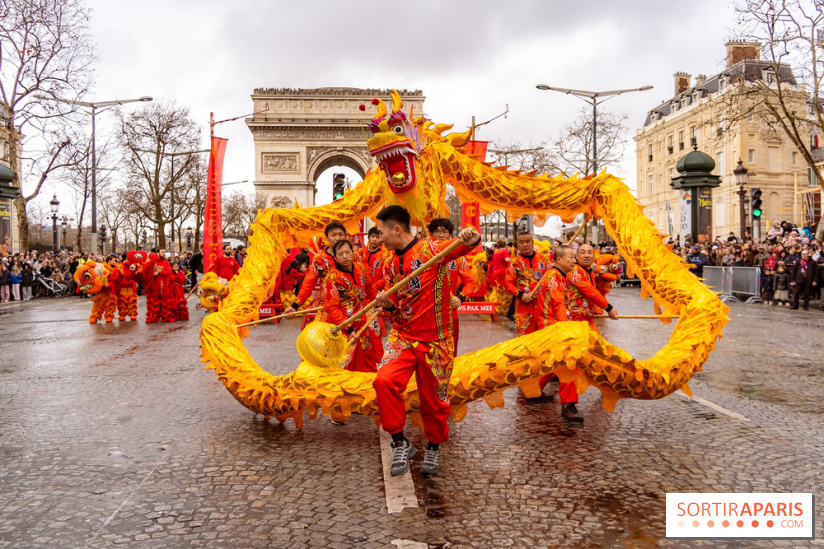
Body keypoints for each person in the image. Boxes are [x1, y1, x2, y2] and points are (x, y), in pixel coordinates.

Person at [372, 205, 480, 477]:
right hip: (403, 336)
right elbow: (396, 303)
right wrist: (387, 303)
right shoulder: (388, 262)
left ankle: (433, 445)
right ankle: (399, 441)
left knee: (434, 400)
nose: (379, 237)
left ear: (397, 229)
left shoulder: (433, 249)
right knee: (383, 380)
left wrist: (471, 236)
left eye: (381, 231)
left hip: (436, 340)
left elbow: (466, 245)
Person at [315, 239, 382, 384]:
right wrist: (348, 327)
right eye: (340, 254)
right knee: (342, 364)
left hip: (360, 323)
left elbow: (369, 288)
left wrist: (378, 302)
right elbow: (332, 308)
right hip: (342, 328)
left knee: (359, 362)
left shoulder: (360, 268)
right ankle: (341, 394)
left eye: (347, 252)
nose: (345, 256)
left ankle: (356, 391)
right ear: (336, 257)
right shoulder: (332, 278)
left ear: (353, 252)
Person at [285, 221, 347, 314]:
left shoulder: (355, 255)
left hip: (354, 307)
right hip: (329, 308)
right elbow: (308, 285)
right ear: (327, 238)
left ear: (345, 236)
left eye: (340, 234)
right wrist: (295, 306)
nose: (337, 238)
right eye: (333, 235)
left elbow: (367, 281)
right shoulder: (319, 259)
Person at [504, 231, 552, 337]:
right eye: (521, 242)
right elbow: (508, 284)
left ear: (532, 242)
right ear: (517, 244)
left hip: (543, 309)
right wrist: (521, 294)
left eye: (527, 241)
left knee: (543, 341)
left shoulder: (545, 260)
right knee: (523, 343)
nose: (525, 245)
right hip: (523, 310)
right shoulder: (514, 263)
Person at [428, 218, 464, 353]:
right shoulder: (423, 254)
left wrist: (461, 298)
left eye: (444, 232)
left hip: (450, 311)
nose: (441, 235)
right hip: (428, 311)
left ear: (450, 234)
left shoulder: (459, 257)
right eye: (437, 231)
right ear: (431, 233)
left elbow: (471, 281)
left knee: (450, 350)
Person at [356, 226, 389, 291]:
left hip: (377, 291)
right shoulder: (360, 253)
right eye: (373, 236)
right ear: (368, 238)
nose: (374, 239)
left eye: (377, 237)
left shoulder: (385, 255)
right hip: (361, 290)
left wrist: (374, 287)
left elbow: (387, 276)